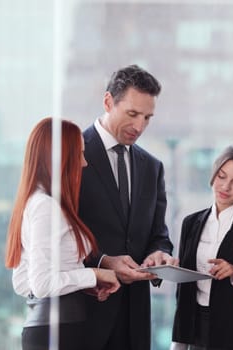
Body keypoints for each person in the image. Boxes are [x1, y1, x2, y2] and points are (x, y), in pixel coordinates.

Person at [78, 64, 178, 350]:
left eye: (148, 117)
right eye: (132, 114)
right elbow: (60, 234)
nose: (140, 126)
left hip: (134, 316)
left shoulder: (152, 167)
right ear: (108, 102)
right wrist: (102, 261)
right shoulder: (73, 154)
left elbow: (158, 233)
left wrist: (160, 254)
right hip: (85, 311)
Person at [5, 117, 121, 350]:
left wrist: (78, 284)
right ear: (58, 159)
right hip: (59, 332)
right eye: (78, 154)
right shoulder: (45, 207)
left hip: (53, 328)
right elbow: (41, 284)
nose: (84, 163)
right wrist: (93, 275)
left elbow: (22, 282)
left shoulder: (36, 202)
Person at [171, 143, 233, 350]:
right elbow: (183, 291)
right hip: (196, 329)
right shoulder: (191, 223)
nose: (225, 187)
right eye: (221, 176)